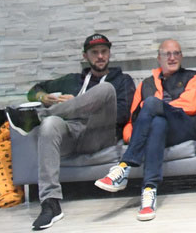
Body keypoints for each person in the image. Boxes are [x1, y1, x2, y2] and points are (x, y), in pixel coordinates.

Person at [25, 33, 136, 230]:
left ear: (109, 54)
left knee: (105, 89)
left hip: (100, 133)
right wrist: (44, 97)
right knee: (50, 125)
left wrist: (77, 105)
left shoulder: (122, 80)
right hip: (71, 133)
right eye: (95, 53)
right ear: (85, 56)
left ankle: (38, 116)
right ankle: (50, 203)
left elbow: (122, 115)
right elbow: (33, 90)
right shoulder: (72, 80)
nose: (100, 56)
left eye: (104, 52)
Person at [95, 39, 196, 222]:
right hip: (161, 131)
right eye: (167, 54)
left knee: (151, 104)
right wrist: (133, 136)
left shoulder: (194, 77)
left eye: (176, 54)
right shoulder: (146, 84)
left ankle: (124, 166)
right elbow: (134, 116)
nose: (172, 58)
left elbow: (191, 106)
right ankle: (149, 192)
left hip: (186, 126)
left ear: (181, 57)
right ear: (159, 58)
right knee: (157, 123)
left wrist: (156, 106)